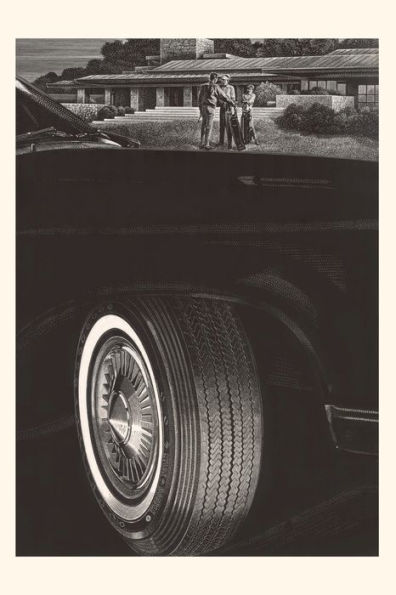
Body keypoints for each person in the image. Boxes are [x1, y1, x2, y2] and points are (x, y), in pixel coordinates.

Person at [198, 72, 235, 150]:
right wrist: (232, 102)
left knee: (203, 125)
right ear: (215, 79)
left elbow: (199, 99)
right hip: (210, 108)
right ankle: (207, 144)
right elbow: (224, 96)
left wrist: (200, 109)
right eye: (217, 79)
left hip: (203, 107)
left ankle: (201, 143)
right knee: (209, 126)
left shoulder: (203, 86)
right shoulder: (215, 86)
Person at [218, 74, 236, 149]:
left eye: (225, 80)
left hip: (229, 108)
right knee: (222, 126)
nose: (224, 81)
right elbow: (218, 98)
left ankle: (230, 144)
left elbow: (233, 98)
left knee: (229, 126)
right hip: (222, 108)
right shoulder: (219, 88)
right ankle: (221, 142)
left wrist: (230, 105)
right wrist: (221, 103)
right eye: (222, 80)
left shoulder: (231, 88)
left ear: (228, 80)